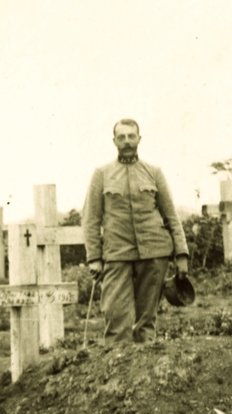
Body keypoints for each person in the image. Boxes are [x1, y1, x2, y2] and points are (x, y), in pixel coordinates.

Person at [81, 119, 190, 348]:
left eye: (131, 136)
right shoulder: (101, 174)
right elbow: (91, 219)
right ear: (114, 141)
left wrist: (181, 255)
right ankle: (115, 374)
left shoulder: (153, 172)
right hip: (116, 253)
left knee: (146, 320)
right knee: (116, 315)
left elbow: (171, 215)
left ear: (139, 139)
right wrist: (94, 258)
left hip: (154, 252)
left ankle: (145, 376)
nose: (127, 141)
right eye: (122, 137)